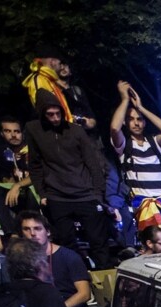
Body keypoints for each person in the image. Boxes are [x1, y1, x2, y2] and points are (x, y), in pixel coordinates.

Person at [25, 90, 111, 268]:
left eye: (58, 113)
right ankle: (77, 278)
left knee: (98, 240)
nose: (55, 118)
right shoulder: (34, 129)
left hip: (85, 193)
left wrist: (97, 193)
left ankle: (105, 277)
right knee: (66, 241)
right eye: (50, 114)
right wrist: (42, 193)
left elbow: (93, 163)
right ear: (42, 114)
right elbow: (34, 164)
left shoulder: (75, 131)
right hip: (57, 195)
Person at [109, 80, 161, 232]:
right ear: (125, 123)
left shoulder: (154, 143)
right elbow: (114, 128)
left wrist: (141, 107)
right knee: (155, 244)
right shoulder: (124, 145)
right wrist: (125, 100)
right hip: (145, 205)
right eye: (131, 119)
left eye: (139, 119)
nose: (136, 123)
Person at [18, 212, 92, 307]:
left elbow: (84, 294)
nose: (32, 234)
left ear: (47, 232)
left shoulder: (69, 257)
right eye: (27, 229)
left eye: (37, 229)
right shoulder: (21, 260)